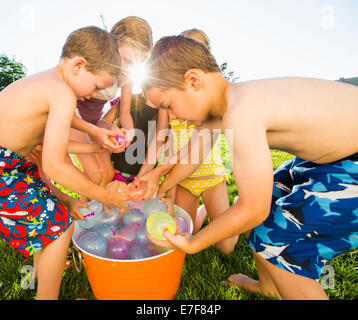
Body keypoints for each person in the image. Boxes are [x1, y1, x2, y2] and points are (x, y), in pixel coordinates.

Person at [142, 35, 358, 300]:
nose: (171, 116)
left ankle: (286, 269)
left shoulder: (240, 111)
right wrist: (161, 184)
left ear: (194, 81)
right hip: (329, 160)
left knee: (275, 235)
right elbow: (190, 158)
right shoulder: (225, 108)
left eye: (168, 105)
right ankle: (269, 287)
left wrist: (192, 243)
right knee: (263, 200)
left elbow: (254, 209)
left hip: (352, 163)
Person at [0, 26, 127, 299]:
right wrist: (105, 196)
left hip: (11, 165)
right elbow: (55, 164)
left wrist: (95, 140)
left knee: (52, 208)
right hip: (5, 168)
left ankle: (35, 276)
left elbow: (57, 143)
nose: (93, 95)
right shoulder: (62, 93)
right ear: (79, 65)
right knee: (59, 227)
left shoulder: (49, 84)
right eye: (95, 86)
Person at [137, 29, 237, 254]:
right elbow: (159, 139)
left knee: (226, 248)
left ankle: (233, 208)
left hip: (210, 176)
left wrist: (162, 177)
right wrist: (144, 174)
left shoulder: (208, 105)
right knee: (185, 233)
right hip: (183, 180)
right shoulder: (171, 102)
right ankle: (204, 212)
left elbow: (195, 148)